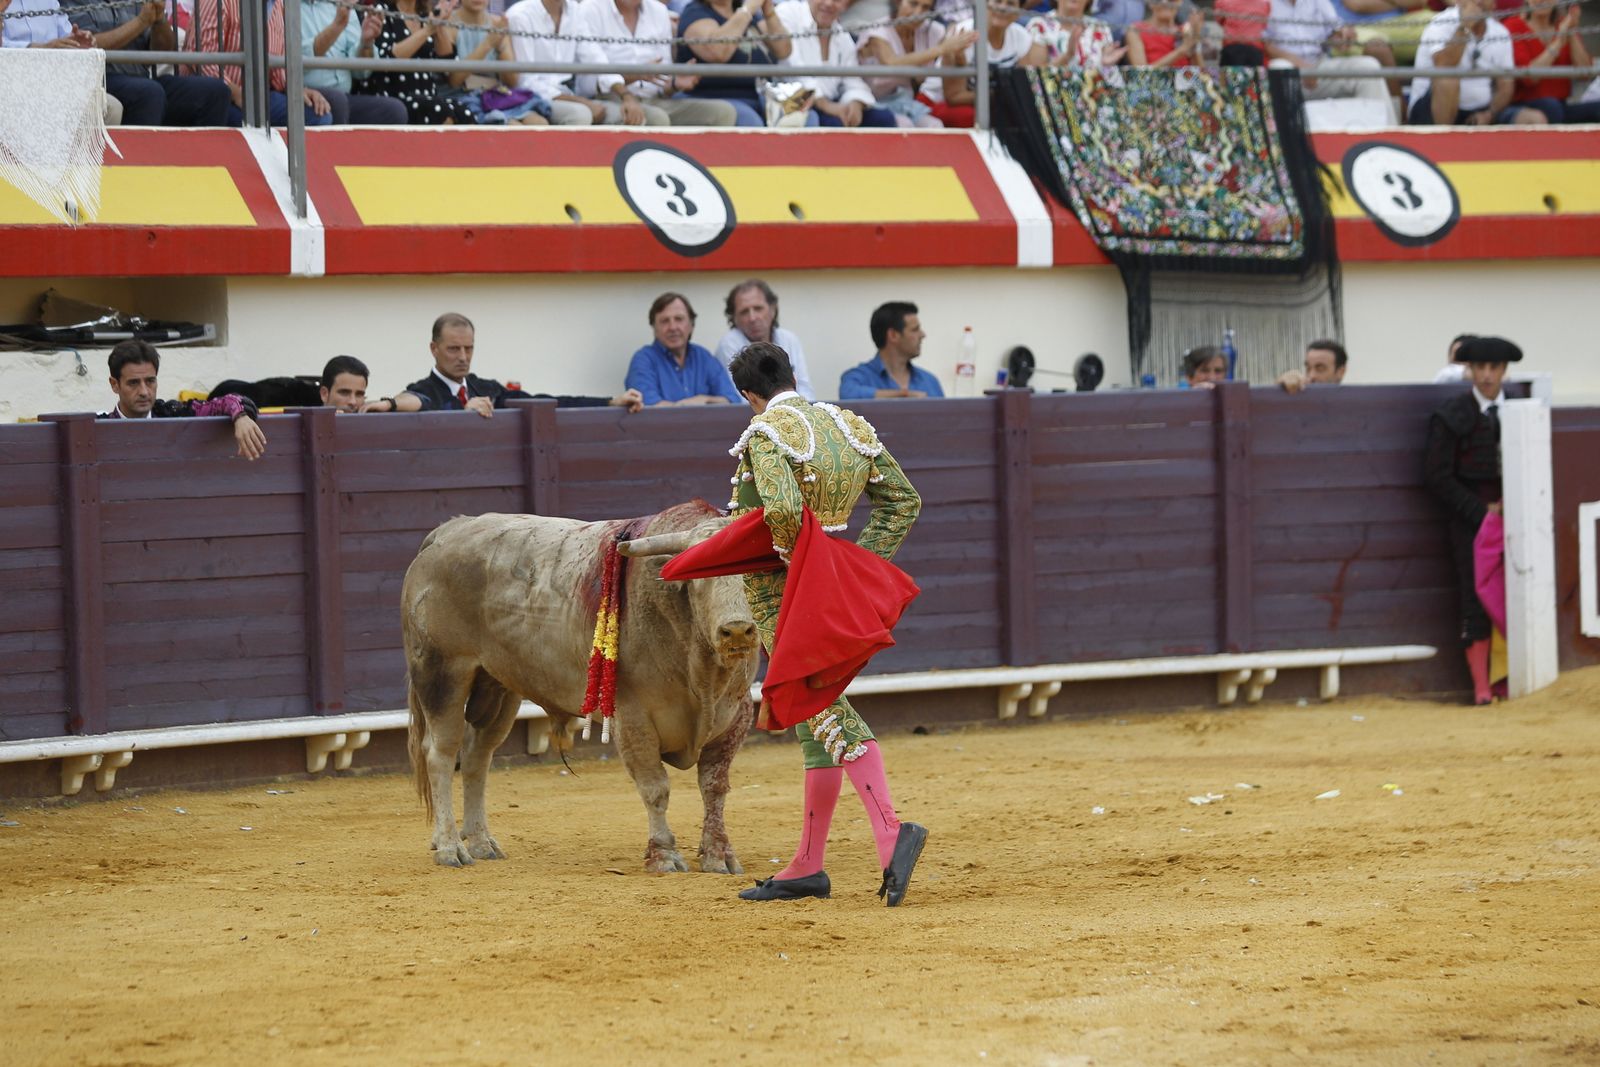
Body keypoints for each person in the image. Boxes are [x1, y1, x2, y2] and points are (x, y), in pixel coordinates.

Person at [723, 342, 927, 905]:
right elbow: (902, 503)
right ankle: (807, 864)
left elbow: (785, 513)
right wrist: (853, 572)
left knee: (819, 704)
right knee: (811, 718)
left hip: (781, 593)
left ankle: (890, 830)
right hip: (826, 587)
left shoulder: (766, 433)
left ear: (747, 394)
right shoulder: (848, 424)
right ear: (790, 373)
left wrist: (803, 571)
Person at [1422, 335, 1521, 706]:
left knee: (1521, 593)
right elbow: (1435, 476)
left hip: (1518, 519)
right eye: (1480, 367)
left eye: (1494, 368)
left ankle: (1514, 679)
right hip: (1470, 521)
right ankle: (1482, 687)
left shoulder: (1521, 410)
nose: (1486, 375)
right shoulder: (1452, 415)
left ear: (1504, 370)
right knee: (1474, 598)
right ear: (1469, 370)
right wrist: (1481, 513)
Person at [379, 312, 645, 414]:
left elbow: (545, 401)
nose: (462, 357)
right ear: (434, 349)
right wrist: (461, 414)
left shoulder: (486, 388)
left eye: (468, 348)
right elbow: (413, 401)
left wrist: (610, 402)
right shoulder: (424, 389)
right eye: (453, 349)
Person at [60, 0, 230, 126]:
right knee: (149, 93)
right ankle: (138, 170)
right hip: (101, 80)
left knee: (215, 91)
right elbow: (87, 44)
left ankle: (206, 170)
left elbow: (163, 51)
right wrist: (141, 22)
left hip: (141, 78)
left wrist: (159, 20)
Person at [572, 0, 739, 126]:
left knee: (723, 112)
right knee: (656, 118)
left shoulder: (658, 11)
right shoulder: (590, 9)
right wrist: (634, 78)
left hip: (653, 101)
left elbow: (659, 85)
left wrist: (673, 84)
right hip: (611, 99)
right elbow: (588, 82)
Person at [99, 340, 268, 460]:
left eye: (150, 381)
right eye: (133, 383)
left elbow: (228, 401)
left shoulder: (173, 413)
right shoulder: (98, 428)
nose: (144, 392)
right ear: (115, 385)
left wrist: (240, 416)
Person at [188, 0, 333, 128]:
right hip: (221, 99)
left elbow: (277, 67)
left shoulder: (278, 4)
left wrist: (297, 90)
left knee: (319, 114)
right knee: (252, 125)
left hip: (258, 98)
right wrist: (238, 94)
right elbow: (201, 57)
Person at [1408, 0, 1541, 126]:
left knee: (1534, 119)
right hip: (1431, 109)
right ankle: (1445, 142)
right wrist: (1465, 27)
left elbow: (1505, 86)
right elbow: (1444, 65)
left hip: (1480, 114)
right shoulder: (1441, 22)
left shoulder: (1500, 32)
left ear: (1493, 4)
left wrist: (1489, 114)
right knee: (1448, 79)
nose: (1479, 1)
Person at [1262, 0, 1398, 121]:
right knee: (1279, 68)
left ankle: (1388, 137)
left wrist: (1341, 38)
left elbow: (1333, 33)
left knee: (1369, 66)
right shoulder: (1261, 2)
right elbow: (1262, 44)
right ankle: (1286, 143)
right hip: (1286, 69)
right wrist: (1299, 65)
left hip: (1318, 67)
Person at [776, 0, 897, 127]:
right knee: (834, 124)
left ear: (847, 4)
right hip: (796, 103)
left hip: (831, 102)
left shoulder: (842, 35)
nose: (829, 3)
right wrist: (825, 105)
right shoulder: (788, 13)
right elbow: (792, 68)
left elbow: (853, 80)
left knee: (883, 118)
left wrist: (856, 103)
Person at [856, 0, 975, 128]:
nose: (918, 13)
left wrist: (958, 55)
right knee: (904, 125)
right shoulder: (878, 30)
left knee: (935, 126)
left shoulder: (934, 30)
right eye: (913, 4)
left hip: (905, 102)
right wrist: (942, 49)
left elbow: (950, 70)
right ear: (898, 3)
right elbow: (891, 62)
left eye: (925, 8)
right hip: (869, 103)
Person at [676, 0, 792, 127]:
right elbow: (718, 52)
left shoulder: (751, 15)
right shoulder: (695, 12)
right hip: (715, 96)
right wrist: (747, 10)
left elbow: (783, 50)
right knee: (750, 120)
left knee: (805, 117)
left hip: (763, 98)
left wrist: (769, 12)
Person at [366, 0, 478, 125]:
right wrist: (427, 31)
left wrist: (439, 25)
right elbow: (387, 59)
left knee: (464, 113)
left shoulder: (425, 15)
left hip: (428, 98)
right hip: (393, 98)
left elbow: (447, 64)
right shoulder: (381, 10)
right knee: (440, 113)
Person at [936, 0, 1046, 127]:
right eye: (998, 1)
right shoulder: (963, 33)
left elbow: (1021, 86)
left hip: (991, 104)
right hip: (939, 103)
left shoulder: (1022, 37)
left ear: (1019, 12)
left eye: (1010, 4)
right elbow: (954, 97)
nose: (1002, 8)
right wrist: (1002, 93)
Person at [300, 0, 410, 124]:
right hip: (305, 96)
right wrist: (337, 26)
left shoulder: (338, 4)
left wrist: (366, 43)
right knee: (337, 101)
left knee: (395, 111)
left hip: (344, 98)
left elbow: (361, 72)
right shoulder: (284, 7)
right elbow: (294, 64)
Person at [625, 294, 743, 407]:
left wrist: (704, 400)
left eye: (679, 319)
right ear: (654, 328)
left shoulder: (703, 357)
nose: (673, 327)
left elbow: (732, 400)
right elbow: (648, 407)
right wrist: (688, 406)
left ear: (691, 325)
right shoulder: (643, 360)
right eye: (665, 321)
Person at [445, 0, 552, 124]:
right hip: (465, 97)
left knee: (539, 123)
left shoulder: (498, 24)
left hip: (497, 96)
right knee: (512, 127)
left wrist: (501, 46)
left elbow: (512, 81)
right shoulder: (448, 25)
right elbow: (454, 81)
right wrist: (488, 44)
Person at [506, 0, 611, 125]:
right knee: (580, 115)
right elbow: (525, 82)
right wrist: (580, 101)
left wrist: (625, 95)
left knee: (619, 113)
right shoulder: (520, 15)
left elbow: (594, 57)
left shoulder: (575, 10)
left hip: (569, 93)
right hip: (530, 98)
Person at [713, 280, 815, 401]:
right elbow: (741, 398)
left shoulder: (789, 339)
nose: (752, 317)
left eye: (758, 308)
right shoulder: (729, 344)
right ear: (734, 318)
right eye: (744, 312)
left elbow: (804, 389)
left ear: (772, 309)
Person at [1503, 0, 1600, 125]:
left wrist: (1571, 32)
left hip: (1561, 105)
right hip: (1525, 105)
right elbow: (1529, 78)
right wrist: (1558, 42)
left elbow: (1585, 73)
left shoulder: (1562, 24)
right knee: (1552, 107)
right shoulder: (1514, 25)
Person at [839, 301, 945, 400]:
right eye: (914, 330)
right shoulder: (858, 377)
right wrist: (904, 396)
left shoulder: (930, 381)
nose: (922, 335)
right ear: (893, 335)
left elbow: (946, 418)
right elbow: (848, 395)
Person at [1028, 0, 1125, 67]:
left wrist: (1104, 65)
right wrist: (1067, 57)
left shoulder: (1100, 27)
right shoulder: (1039, 25)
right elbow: (1036, 76)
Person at [1127, 0, 1201, 66]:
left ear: (1179, 2)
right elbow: (1141, 74)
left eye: (1171, 0)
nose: (1165, 3)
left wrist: (1196, 40)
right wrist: (1181, 50)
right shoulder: (1136, 30)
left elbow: (1201, 74)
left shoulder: (1185, 30)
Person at [1277, 339, 1348, 393]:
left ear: (1340, 372)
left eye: (1320, 369)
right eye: (1308, 369)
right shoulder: (1300, 400)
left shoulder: (1354, 406)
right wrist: (1281, 389)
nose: (1311, 376)